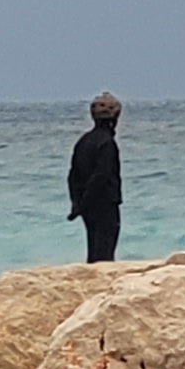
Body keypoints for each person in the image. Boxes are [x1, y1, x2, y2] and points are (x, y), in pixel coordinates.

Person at [66, 93, 124, 263]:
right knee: (105, 251)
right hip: (105, 202)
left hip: (87, 205)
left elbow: (73, 176)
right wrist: (86, 200)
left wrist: (77, 203)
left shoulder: (83, 141)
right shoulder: (107, 143)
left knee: (94, 247)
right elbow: (102, 175)